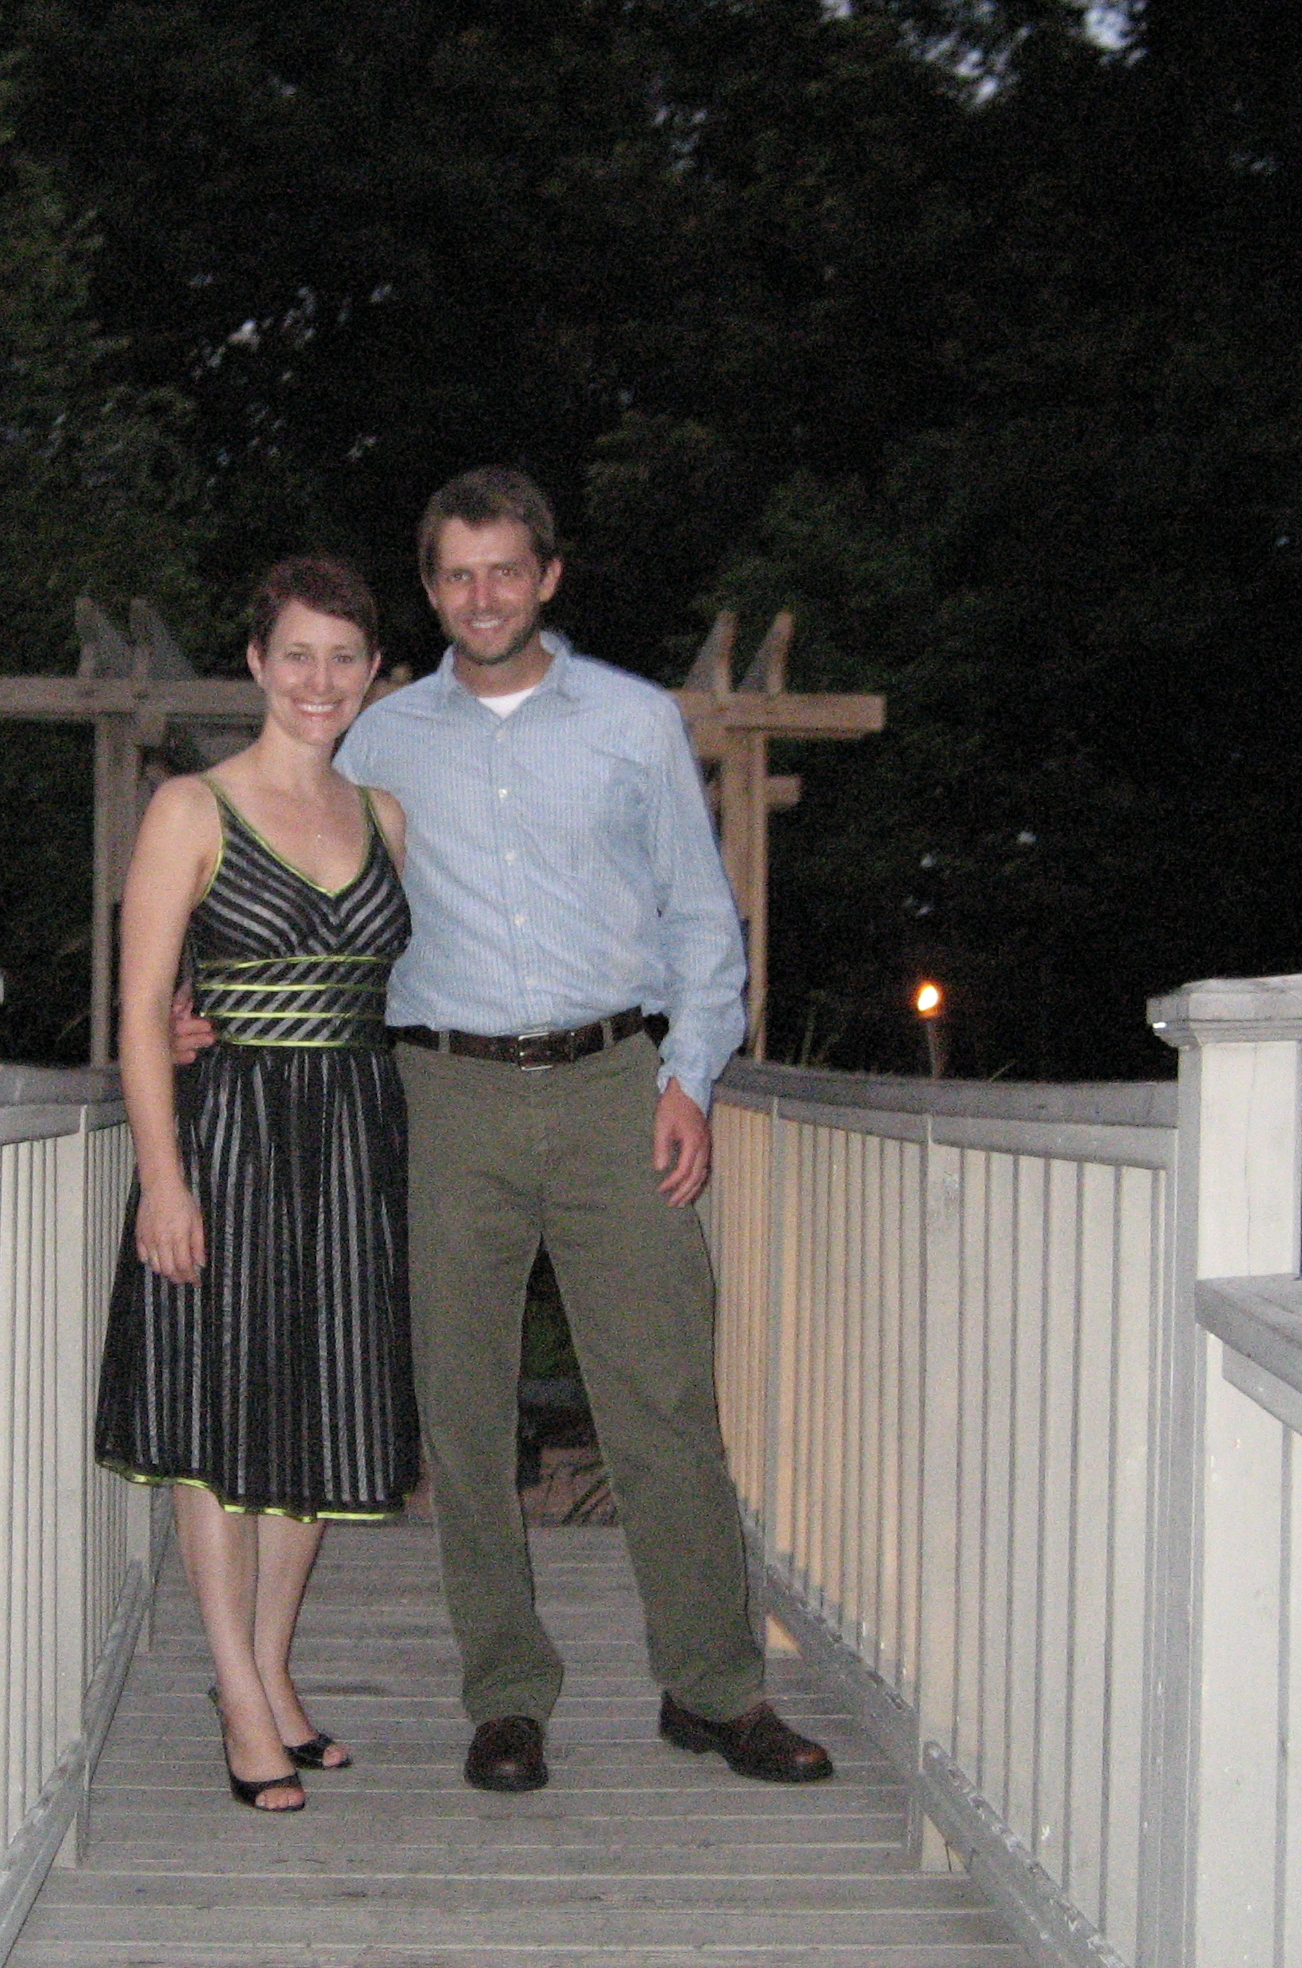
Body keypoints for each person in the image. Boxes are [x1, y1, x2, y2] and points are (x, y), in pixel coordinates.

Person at [334, 467, 830, 1793]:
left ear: (547, 577)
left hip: (616, 1088)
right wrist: (205, 1007)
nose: (481, 595)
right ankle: (505, 1694)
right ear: (429, 589)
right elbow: (313, 893)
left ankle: (712, 1689)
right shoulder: (378, 741)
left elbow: (698, 916)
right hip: (447, 1096)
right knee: (462, 1404)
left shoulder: (632, 721)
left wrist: (691, 1077)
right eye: (455, 574)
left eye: (504, 569)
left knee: (663, 1394)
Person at [93, 555, 421, 1815]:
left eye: (343, 657)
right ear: (255, 664)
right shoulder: (192, 808)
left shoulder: (385, 818)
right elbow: (139, 1012)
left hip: (350, 1142)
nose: (318, 680)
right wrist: (161, 1180)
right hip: (229, 1140)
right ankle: (235, 1694)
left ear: (372, 672)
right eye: (296, 655)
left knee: (322, 1409)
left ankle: (273, 1667)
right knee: (217, 1418)